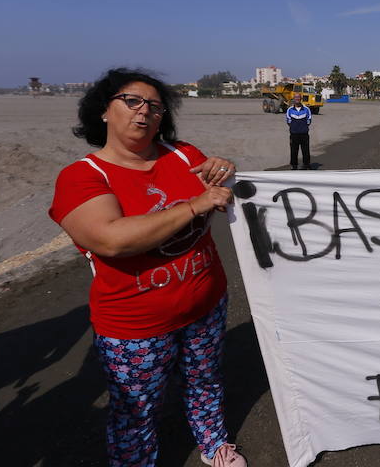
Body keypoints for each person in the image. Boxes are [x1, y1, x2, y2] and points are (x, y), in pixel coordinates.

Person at [48, 68, 247, 467]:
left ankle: (214, 443)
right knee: (136, 409)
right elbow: (112, 239)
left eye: (155, 107)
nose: (145, 113)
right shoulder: (83, 177)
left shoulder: (183, 154)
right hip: (134, 325)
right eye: (132, 101)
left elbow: (218, 190)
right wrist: (193, 205)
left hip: (205, 304)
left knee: (205, 381)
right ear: (103, 111)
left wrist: (224, 169)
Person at [286, 92, 312, 170]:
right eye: (295, 97)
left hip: (304, 133)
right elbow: (288, 121)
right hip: (294, 134)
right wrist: (294, 128)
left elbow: (309, 120)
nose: (297, 99)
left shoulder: (306, 109)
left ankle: (306, 165)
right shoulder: (289, 109)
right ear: (293, 99)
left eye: (298, 97)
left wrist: (303, 128)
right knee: (294, 150)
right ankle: (294, 165)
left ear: (301, 99)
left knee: (306, 150)